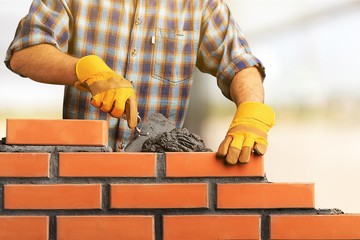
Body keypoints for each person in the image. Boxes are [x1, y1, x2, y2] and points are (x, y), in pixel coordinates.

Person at [5, 0, 275, 164]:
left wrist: (252, 113)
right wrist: (85, 69)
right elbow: (24, 52)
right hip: (79, 173)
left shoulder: (199, 4)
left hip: (158, 180)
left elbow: (239, 62)